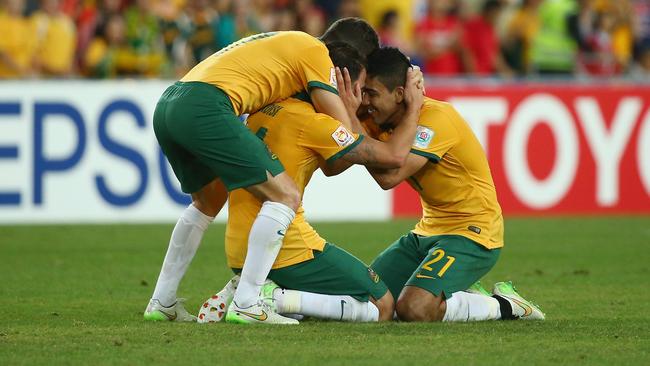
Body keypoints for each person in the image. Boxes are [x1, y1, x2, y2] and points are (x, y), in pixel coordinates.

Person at [144, 18, 380, 324]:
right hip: (206, 105)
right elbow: (343, 135)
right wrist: (350, 105)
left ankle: (162, 301)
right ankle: (248, 302)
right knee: (285, 194)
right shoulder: (316, 53)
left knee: (207, 201)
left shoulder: (289, 41)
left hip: (170, 103)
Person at [202, 42, 423, 324]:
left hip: (239, 248)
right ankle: (273, 298)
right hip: (288, 249)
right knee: (381, 304)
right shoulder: (315, 124)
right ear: (339, 83)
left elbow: (332, 167)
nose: (363, 100)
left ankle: (251, 289)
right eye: (359, 89)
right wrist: (412, 107)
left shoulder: (267, 108)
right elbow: (393, 156)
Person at [362, 47, 545, 322]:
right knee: (369, 300)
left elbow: (389, 178)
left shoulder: (436, 120)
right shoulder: (380, 118)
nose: (366, 101)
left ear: (400, 94)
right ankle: (464, 292)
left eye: (372, 93)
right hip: (426, 233)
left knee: (413, 309)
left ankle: (503, 305)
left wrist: (355, 131)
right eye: (363, 92)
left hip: (472, 234)